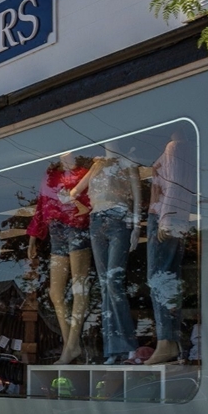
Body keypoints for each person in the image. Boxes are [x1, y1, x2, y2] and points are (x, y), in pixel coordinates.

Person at [70, 142, 141, 364]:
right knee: (104, 285)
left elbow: (138, 196)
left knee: (113, 281)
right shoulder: (97, 165)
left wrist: (136, 227)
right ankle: (114, 349)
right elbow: (74, 191)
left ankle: (127, 346)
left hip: (119, 218)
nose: (109, 145)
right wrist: (83, 206)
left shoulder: (127, 163)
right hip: (97, 221)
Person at [27, 151, 92, 365]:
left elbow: (91, 203)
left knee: (78, 287)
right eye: (62, 153)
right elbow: (41, 205)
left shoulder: (85, 174)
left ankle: (71, 345)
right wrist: (33, 239)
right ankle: (70, 345)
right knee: (55, 292)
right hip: (57, 231)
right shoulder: (50, 177)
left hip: (77, 228)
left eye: (71, 152)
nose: (67, 156)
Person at [145, 130, 195, 365]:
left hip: (164, 215)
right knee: (167, 276)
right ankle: (170, 340)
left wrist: (168, 217)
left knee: (159, 277)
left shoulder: (174, 147)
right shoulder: (182, 148)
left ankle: (166, 341)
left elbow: (176, 183)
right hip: (171, 215)